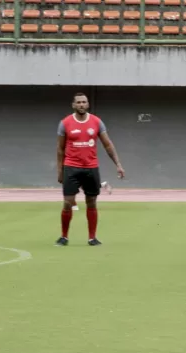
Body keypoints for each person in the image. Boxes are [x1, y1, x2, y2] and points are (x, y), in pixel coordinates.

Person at [55, 93, 125, 247]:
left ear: (87, 105)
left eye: (84, 102)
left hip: (91, 167)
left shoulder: (96, 122)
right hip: (71, 167)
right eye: (78, 102)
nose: (81, 104)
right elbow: (60, 149)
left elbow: (108, 145)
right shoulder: (65, 123)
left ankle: (92, 238)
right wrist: (60, 170)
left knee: (91, 202)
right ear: (73, 105)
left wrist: (118, 164)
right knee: (68, 202)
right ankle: (64, 237)